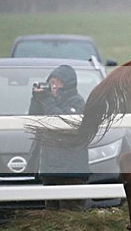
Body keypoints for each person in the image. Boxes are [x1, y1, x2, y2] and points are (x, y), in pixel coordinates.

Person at [28, 64, 90, 210]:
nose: (54, 86)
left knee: (71, 215)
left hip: (71, 171)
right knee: (52, 214)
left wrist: (47, 99)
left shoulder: (77, 102)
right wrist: (36, 99)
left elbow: (61, 123)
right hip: (50, 168)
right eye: (52, 82)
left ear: (68, 84)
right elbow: (33, 120)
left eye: (58, 82)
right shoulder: (48, 101)